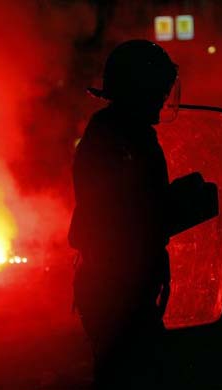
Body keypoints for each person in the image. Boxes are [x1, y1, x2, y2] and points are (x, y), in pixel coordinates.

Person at [69, 40, 179, 388]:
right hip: (118, 288)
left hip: (122, 286)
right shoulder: (118, 137)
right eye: (157, 89)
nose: (162, 98)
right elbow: (123, 213)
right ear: (139, 89)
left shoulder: (120, 132)